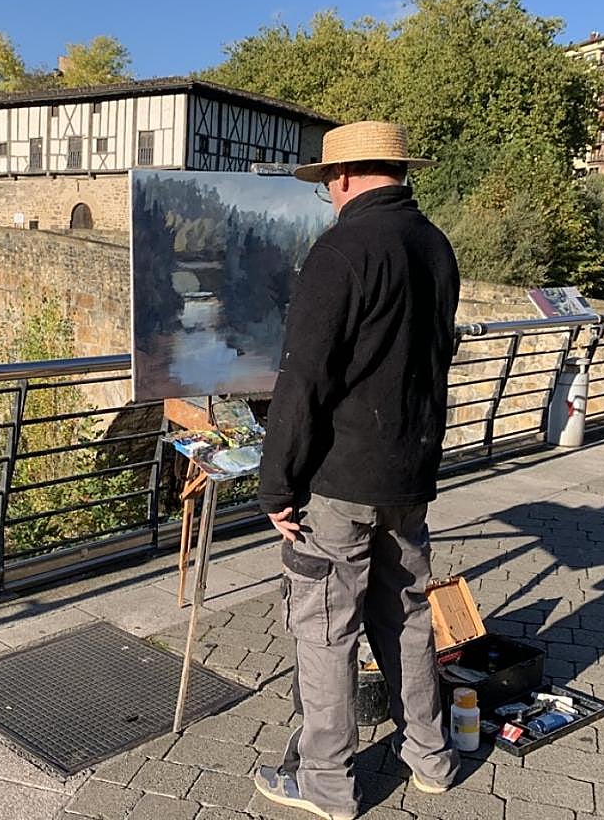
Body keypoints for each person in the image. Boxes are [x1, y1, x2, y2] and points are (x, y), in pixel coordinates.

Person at [253, 120, 461, 820]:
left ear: (341, 178)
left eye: (326, 185)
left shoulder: (342, 248)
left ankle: (329, 787)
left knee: (326, 631)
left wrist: (277, 484)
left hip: (340, 480)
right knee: (404, 618)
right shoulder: (434, 246)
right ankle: (431, 758)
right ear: (400, 171)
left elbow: (303, 379)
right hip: (410, 471)